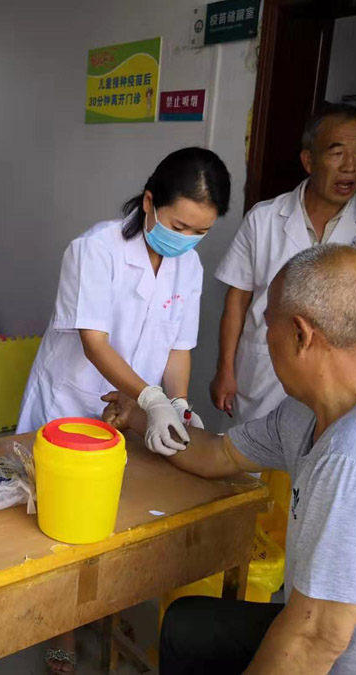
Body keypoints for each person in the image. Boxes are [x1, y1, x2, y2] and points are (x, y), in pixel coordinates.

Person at [105, 244, 356, 674]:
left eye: (267, 323)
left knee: (294, 638)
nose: (264, 337)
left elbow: (313, 643)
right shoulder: (311, 413)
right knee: (189, 626)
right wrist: (142, 417)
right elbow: (219, 453)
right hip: (348, 639)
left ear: (301, 335)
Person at [16, 147, 230, 673]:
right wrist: (151, 399)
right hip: (72, 401)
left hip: (131, 409)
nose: (187, 239)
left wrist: (178, 403)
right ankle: (60, 634)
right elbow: (95, 343)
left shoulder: (189, 265)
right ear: (150, 202)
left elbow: (178, 348)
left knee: (117, 516)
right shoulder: (95, 250)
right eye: (180, 226)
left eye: (201, 231)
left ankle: (101, 610)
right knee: (64, 528)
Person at [210, 104, 356, 423]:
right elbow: (237, 299)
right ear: (309, 161)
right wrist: (225, 369)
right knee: (251, 451)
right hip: (265, 374)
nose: (350, 166)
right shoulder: (264, 218)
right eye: (337, 153)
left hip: (335, 383)